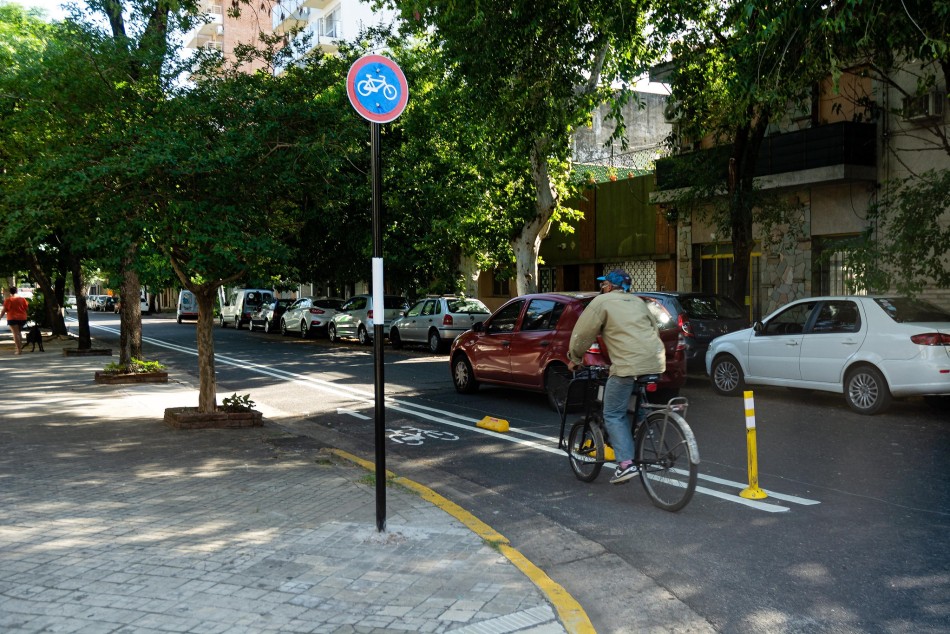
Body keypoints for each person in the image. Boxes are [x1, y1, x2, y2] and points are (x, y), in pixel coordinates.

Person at [567, 270, 666, 484]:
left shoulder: (602, 302)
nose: (602, 287)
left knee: (612, 412)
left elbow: (583, 334)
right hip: (655, 361)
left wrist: (574, 357)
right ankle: (642, 424)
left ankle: (625, 464)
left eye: (604, 284)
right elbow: (653, 330)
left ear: (610, 286)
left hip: (627, 364)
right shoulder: (639, 302)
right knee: (632, 390)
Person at [1, 287, 30, 356]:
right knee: (19, 333)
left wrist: (0, 317)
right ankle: (19, 347)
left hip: (12, 318)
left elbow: (4, 310)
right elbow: (27, 308)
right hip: (22, 317)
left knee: (15, 333)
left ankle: (19, 350)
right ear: (17, 291)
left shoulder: (9, 300)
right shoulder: (22, 299)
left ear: (10, 292)